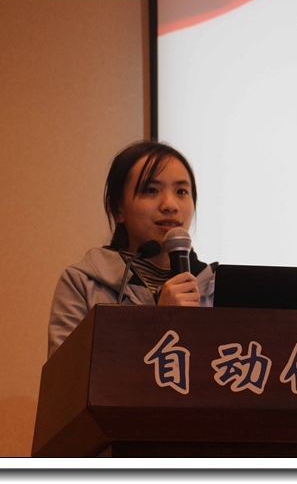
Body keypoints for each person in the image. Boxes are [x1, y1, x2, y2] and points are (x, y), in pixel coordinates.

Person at [47, 141, 216, 359]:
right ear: (117, 208)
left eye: (181, 191)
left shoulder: (216, 286)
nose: (170, 205)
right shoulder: (82, 283)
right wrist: (158, 321)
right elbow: (67, 373)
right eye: (152, 190)